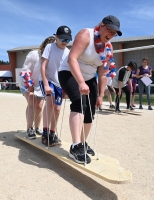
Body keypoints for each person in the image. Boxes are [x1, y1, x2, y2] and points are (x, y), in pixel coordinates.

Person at [58, 15, 122, 164]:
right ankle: (75, 146)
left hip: (89, 77)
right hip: (69, 72)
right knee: (79, 102)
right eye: (110, 31)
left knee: (91, 108)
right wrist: (80, 82)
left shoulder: (108, 47)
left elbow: (103, 72)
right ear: (102, 25)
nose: (111, 36)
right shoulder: (86, 34)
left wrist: (100, 95)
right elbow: (72, 58)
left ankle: (82, 143)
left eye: (114, 33)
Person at [40, 26, 72, 147]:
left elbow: (68, 71)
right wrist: (46, 84)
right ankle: (45, 133)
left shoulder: (68, 52)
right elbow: (43, 66)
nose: (65, 42)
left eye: (68, 40)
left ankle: (52, 133)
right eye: (63, 38)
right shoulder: (50, 47)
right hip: (48, 80)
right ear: (56, 37)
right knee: (49, 104)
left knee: (57, 110)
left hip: (60, 84)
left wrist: (66, 89)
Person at [20, 36, 55, 139]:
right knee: (31, 100)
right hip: (27, 83)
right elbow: (25, 70)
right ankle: (29, 129)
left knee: (39, 106)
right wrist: (29, 84)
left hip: (40, 86)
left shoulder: (51, 58)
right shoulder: (34, 54)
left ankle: (37, 127)